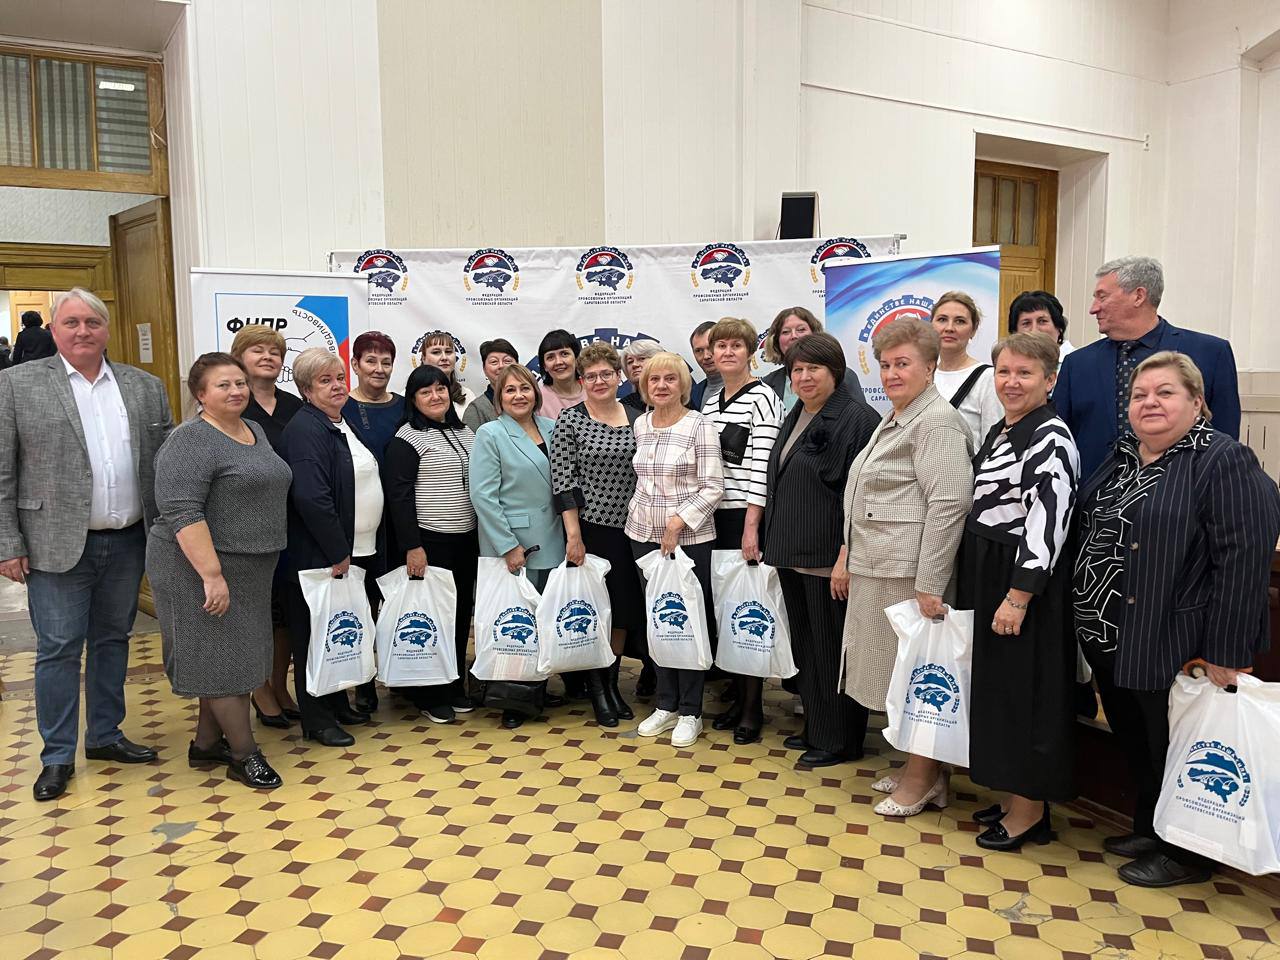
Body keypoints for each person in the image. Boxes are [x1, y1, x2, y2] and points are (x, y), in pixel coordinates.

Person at [1074, 351, 1280, 888]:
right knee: (1139, 742)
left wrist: (1226, 651)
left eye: (1165, 393)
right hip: (1110, 637)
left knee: (1177, 746)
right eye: (1140, 395)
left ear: (1197, 402)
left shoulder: (1221, 460)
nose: (1150, 403)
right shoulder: (1122, 455)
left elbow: (1243, 560)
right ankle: (1152, 827)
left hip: (1172, 640)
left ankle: (1186, 854)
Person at [0, 288, 173, 802]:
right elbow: (3, 471)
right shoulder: (16, 384)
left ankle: (104, 735)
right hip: (52, 543)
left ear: (106, 329)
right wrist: (7, 542)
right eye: (71, 322)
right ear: (54, 330)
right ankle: (56, 756)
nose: (82, 331)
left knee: (113, 640)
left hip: (128, 541)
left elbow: (163, 465)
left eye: (92, 322)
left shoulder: (144, 386)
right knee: (57, 649)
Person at [840, 317, 973, 818]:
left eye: (903, 364)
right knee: (899, 674)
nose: (892, 373)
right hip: (882, 566)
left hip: (910, 575)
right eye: (886, 364)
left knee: (919, 674)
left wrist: (930, 583)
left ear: (930, 366)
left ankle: (923, 779)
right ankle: (921, 768)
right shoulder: (898, 415)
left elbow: (949, 503)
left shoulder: (936, 421)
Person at [956, 334, 1079, 851]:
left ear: (1050, 380)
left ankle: (1030, 811)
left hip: (1021, 579)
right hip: (989, 570)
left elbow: (1047, 523)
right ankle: (1012, 796)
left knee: (1026, 693)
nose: (1011, 382)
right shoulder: (1004, 429)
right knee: (1000, 690)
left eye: (1024, 373)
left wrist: (1018, 596)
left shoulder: (1050, 436)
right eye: (1004, 372)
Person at [148, 353, 292, 790]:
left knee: (237, 654)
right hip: (198, 567)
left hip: (250, 568)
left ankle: (207, 744)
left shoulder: (254, 430)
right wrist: (211, 575)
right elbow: (182, 511)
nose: (235, 391)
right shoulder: (189, 440)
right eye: (223, 385)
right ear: (200, 394)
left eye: (239, 383)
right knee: (221, 658)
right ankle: (245, 755)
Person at [761, 333, 878, 767]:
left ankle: (840, 740)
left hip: (829, 560)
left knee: (832, 652)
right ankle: (817, 727)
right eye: (797, 369)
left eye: (814, 368)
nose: (805, 377)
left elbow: (860, 497)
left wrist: (846, 556)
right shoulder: (799, 412)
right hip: (794, 553)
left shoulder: (857, 418)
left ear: (836, 372)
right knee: (808, 650)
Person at [1055, 256, 1241, 479]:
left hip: (1183, 492)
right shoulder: (1077, 364)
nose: (1093, 309)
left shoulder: (1210, 353)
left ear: (1138, 296)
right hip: (1095, 495)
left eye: (1102, 297)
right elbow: (1061, 441)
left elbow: (1224, 434)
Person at [280, 348, 384, 748]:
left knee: (338, 630)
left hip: (353, 552)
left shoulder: (339, 421)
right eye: (325, 381)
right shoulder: (305, 429)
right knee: (313, 637)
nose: (337, 386)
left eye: (339, 378)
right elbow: (312, 497)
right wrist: (338, 550)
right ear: (306, 390)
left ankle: (337, 703)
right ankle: (317, 718)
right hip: (320, 555)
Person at [627, 352, 724, 749]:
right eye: (654, 380)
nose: (662, 386)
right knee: (659, 621)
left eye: (670, 379)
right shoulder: (641, 423)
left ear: (683, 385)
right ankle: (665, 703)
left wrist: (678, 521)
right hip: (642, 536)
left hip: (688, 540)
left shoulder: (699, 425)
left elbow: (714, 485)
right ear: (644, 386)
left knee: (687, 624)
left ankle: (690, 710)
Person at [550, 342, 645, 726]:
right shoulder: (570, 421)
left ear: (619, 376)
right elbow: (564, 483)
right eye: (591, 376)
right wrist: (573, 536)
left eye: (607, 373)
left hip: (633, 530)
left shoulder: (638, 417)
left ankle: (612, 683)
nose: (599, 381)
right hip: (590, 531)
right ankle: (597, 691)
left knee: (621, 612)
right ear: (581, 381)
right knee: (593, 611)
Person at [700, 317, 783, 745]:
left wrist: (752, 528)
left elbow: (762, 469)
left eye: (737, 345)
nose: (728, 352)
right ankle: (736, 698)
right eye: (721, 346)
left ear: (751, 352)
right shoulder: (710, 400)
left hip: (746, 519)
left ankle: (753, 707)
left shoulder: (764, 398)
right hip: (712, 519)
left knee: (749, 613)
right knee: (725, 611)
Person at [470, 363, 566, 729]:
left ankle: (536, 687)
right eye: (510, 390)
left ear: (536, 393)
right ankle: (512, 698)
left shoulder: (552, 427)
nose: (518, 395)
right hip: (516, 543)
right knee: (515, 621)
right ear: (499, 397)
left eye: (524, 388)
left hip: (553, 537)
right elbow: (483, 495)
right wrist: (507, 545)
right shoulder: (490, 434)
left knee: (543, 618)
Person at [384, 365, 479, 725]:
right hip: (430, 541)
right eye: (426, 392)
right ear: (413, 400)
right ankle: (429, 693)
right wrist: (412, 546)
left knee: (459, 615)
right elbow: (399, 497)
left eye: (440, 389)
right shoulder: (406, 439)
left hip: (466, 539)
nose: (435, 396)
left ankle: (453, 684)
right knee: (431, 619)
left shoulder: (465, 432)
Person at [232, 325, 305, 727]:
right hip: (247, 526)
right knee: (255, 612)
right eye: (256, 350)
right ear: (239, 357)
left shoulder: (294, 405)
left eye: (274, 352)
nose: (267, 357)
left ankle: (279, 685)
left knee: (285, 613)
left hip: (293, 524)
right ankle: (258, 689)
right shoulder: (232, 405)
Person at [340, 330, 403, 714]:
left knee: (398, 601)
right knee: (361, 604)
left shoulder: (404, 406)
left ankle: (403, 673)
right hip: (359, 525)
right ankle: (363, 683)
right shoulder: (342, 406)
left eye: (386, 362)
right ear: (355, 365)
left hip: (401, 522)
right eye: (370, 361)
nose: (378, 369)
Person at [930, 291, 1003, 448]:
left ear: (973, 330)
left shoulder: (988, 378)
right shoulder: (923, 376)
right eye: (942, 319)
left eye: (960, 321)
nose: (949, 328)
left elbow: (993, 444)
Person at [760, 306, 866, 411]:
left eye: (801, 330)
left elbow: (859, 416)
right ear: (776, 341)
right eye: (786, 332)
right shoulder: (767, 383)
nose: (794, 336)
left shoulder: (844, 376)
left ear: (815, 334)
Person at [463, 338, 518, 432]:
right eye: (494, 362)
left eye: (507, 361)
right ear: (484, 369)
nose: (501, 366)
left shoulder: (529, 399)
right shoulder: (476, 409)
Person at [419, 330, 476, 419]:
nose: (444, 357)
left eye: (448, 352)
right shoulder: (409, 395)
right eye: (436, 352)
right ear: (423, 358)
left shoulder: (468, 394)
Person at [1007, 290, 1075, 363]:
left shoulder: (1078, 362)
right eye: (1026, 323)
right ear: (1015, 332)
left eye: (1042, 321)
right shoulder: (1005, 363)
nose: (1034, 330)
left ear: (1059, 328)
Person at [536, 329, 584, 419]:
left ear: (576, 358)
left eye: (564, 354)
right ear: (544, 366)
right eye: (550, 357)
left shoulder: (593, 389)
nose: (558, 362)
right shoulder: (537, 400)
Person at [618, 339, 661, 413]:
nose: (634, 365)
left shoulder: (675, 398)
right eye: (630, 362)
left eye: (642, 358)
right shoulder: (624, 406)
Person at [688, 321, 721, 410]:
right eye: (699, 351)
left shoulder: (749, 389)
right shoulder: (692, 395)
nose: (706, 356)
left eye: (711, 347)